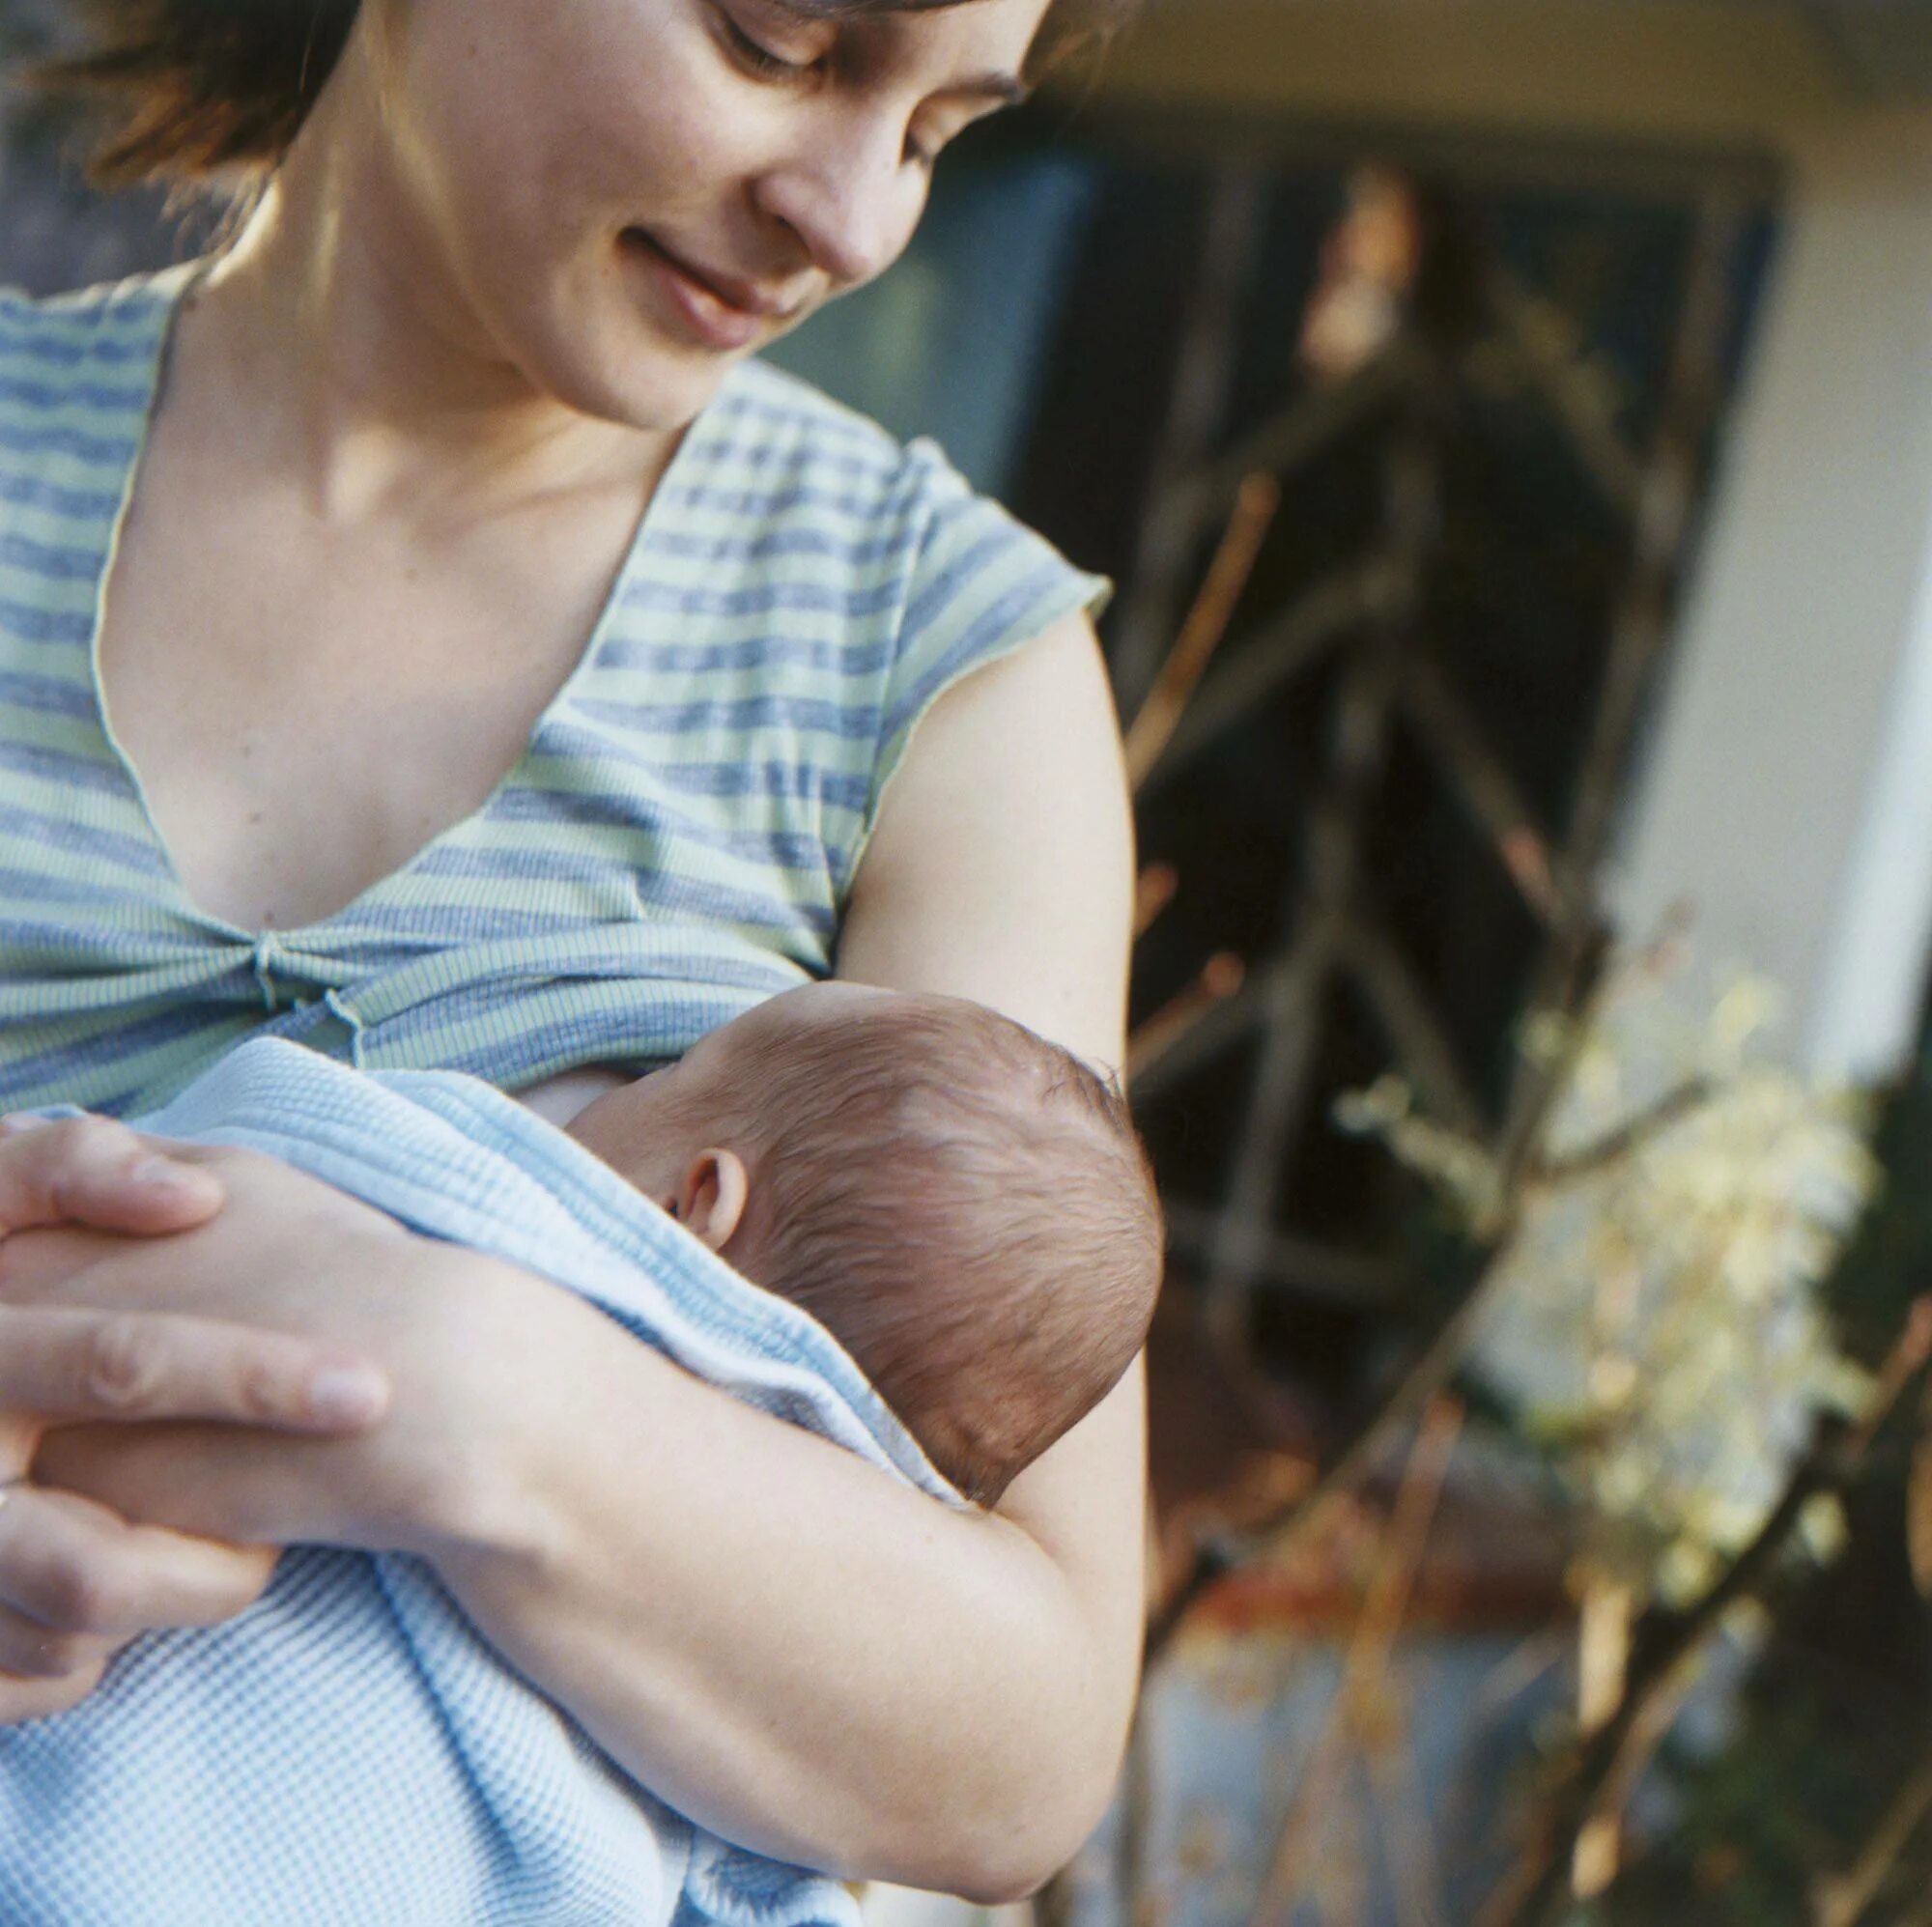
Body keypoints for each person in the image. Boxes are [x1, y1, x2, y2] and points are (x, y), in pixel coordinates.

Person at [0, 0, 1145, 1905]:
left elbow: (1021, 1740)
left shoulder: (937, 664)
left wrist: (449, 1375)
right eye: (779, 45)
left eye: (940, 129)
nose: (855, 221)